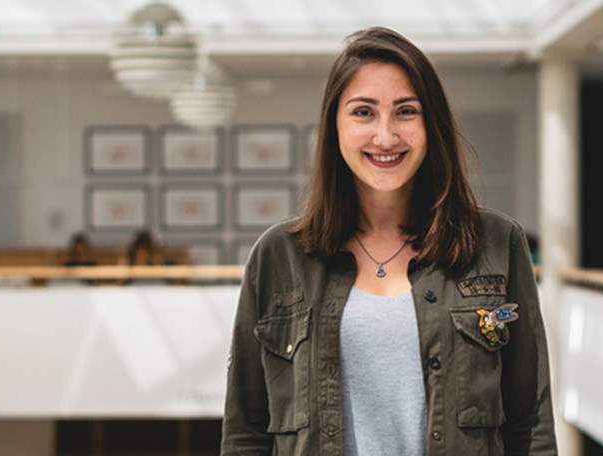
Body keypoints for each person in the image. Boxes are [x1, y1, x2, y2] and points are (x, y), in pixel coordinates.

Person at [222, 27, 557, 456]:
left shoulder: (496, 244)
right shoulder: (278, 256)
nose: (385, 136)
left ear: (431, 124)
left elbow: (530, 425)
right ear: (334, 124)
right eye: (363, 112)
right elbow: (246, 434)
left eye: (406, 111)